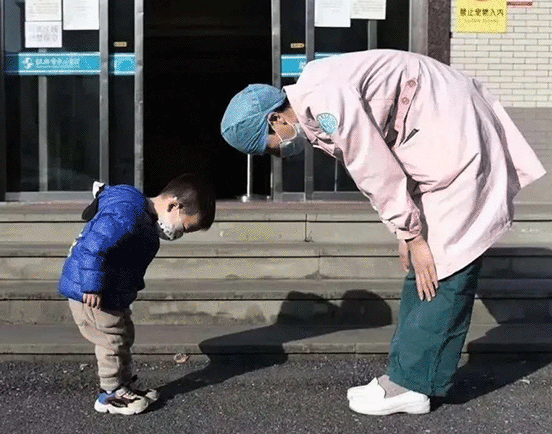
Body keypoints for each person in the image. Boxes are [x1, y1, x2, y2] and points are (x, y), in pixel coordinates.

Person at [220, 49, 545, 416]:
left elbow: (373, 167)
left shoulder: (326, 101)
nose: (278, 153)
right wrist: (405, 231)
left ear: (277, 119)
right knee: (425, 265)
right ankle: (405, 375)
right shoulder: (315, 103)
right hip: (439, 132)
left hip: (454, 135)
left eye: (269, 146)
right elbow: (382, 164)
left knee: (445, 263)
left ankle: (415, 385)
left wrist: (413, 235)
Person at [58, 174, 216, 415]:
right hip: (91, 291)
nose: (179, 234)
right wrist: (92, 285)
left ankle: (123, 385)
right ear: (174, 206)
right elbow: (93, 246)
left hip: (109, 291)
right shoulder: (127, 212)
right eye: (184, 227)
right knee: (111, 340)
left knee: (123, 335)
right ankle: (110, 393)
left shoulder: (141, 216)